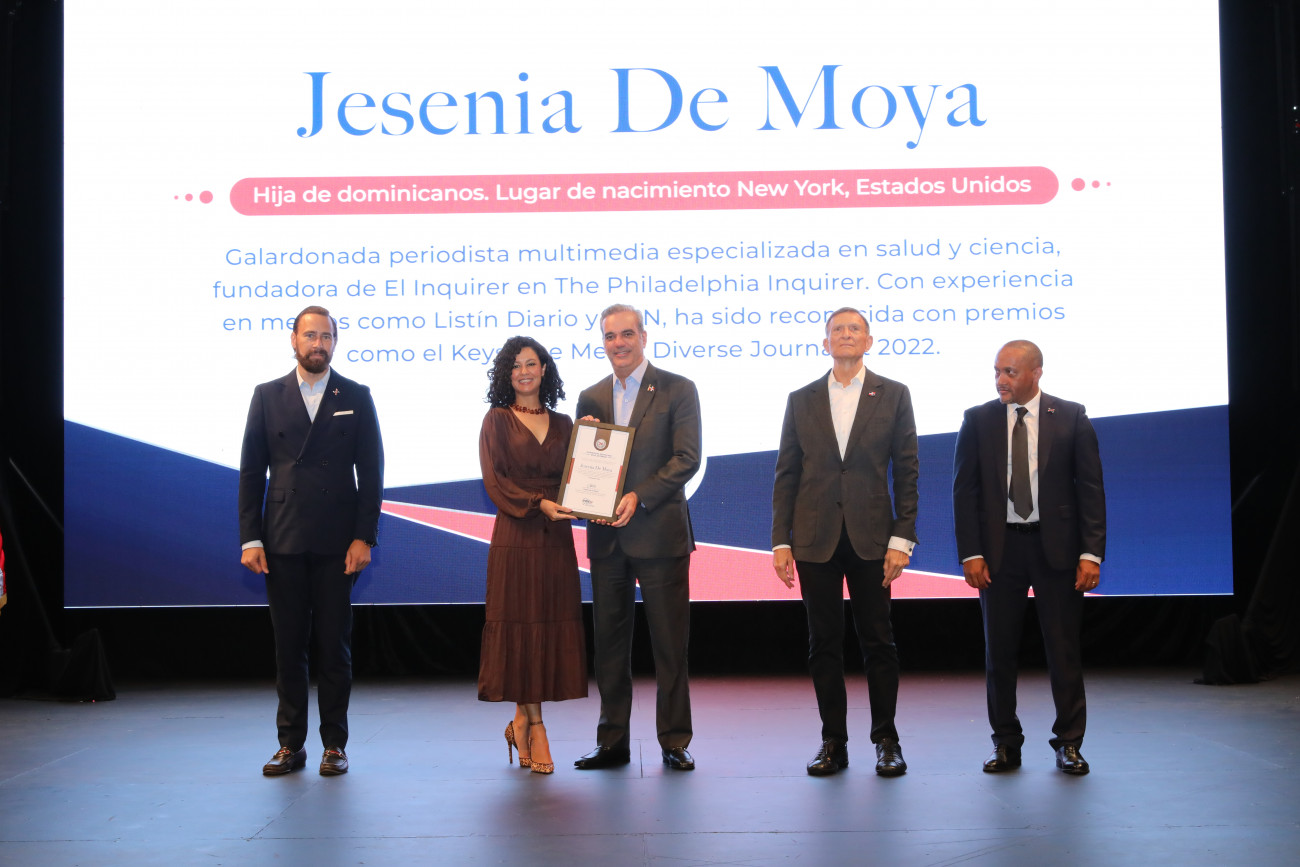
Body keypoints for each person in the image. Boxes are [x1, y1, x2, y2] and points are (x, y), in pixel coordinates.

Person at [771, 307, 919, 777]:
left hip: (873, 538)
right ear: (825, 342)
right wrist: (779, 540)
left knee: (879, 640)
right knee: (823, 643)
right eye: (838, 329)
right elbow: (786, 472)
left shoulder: (894, 394)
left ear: (869, 341)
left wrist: (902, 537)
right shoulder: (801, 399)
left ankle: (887, 740)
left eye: (855, 328)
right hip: (814, 539)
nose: (847, 334)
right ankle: (833, 741)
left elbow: (908, 471)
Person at [238, 306, 384, 777]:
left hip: (338, 542)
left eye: (326, 336)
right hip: (281, 538)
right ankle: (290, 745)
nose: (318, 344)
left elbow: (372, 473)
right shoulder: (267, 395)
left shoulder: (356, 395)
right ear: (294, 341)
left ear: (334, 342)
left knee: (334, 647)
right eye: (310, 336)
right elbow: (251, 472)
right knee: (289, 649)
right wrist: (250, 537)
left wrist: (364, 536)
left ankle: (334, 745)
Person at [952, 339, 1105, 775]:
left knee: (1063, 650)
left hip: (1057, 549)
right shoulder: (978, 419)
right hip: (999, 551)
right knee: (999, 651)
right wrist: (971, 553)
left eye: (1010, 372)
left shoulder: (1071, 416)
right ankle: (1005, 742)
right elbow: (964, 492)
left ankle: (1069, 743)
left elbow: (1091, 489)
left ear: (1036, 373)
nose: (1000, 380)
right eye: (997, 371)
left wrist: (1091, 553)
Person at [572, 304, 702, 771]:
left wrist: (638, 496)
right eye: (610, 336)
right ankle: (612, 741)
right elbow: (585, 467)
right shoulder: (589, 397)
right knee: (609, 646)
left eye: (627, 334)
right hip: (607, 539)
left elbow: (687, 458)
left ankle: (674, 740)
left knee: (670, 645)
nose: (619, 343)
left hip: (660, 535)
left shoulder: (678, 388)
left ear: (644, 337)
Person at [477, 336, 588, 775]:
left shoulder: (565, 423)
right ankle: (537, 726)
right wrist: (538, 502)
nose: (524, 372)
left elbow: (580, 479)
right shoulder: (496, 420)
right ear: (507, 375)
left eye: (531, 364)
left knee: (544, 626)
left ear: (544, 370)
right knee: (521, 627)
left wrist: (591, 442)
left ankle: (520, 721)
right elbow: (496, 482)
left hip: (555, 539)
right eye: (515, 366)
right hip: (516, 536)